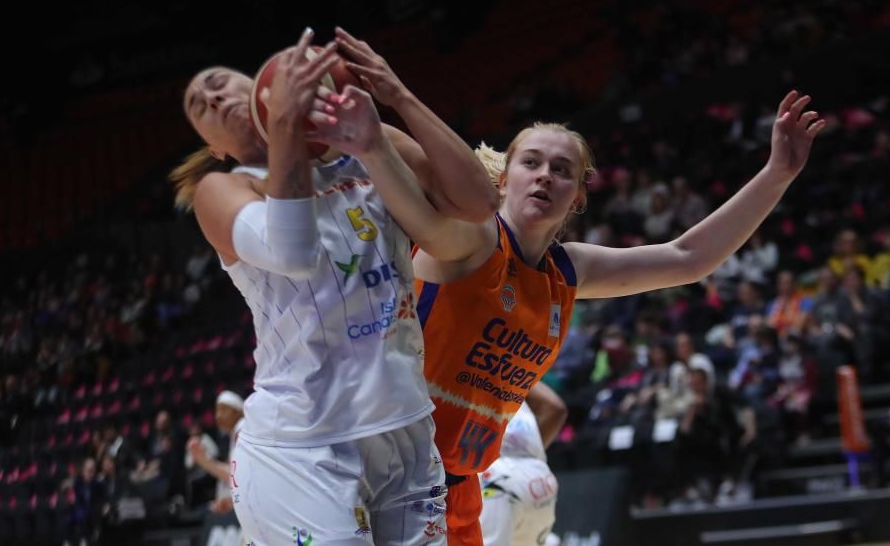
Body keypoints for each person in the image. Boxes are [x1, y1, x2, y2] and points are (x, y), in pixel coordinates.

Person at [330, 85, 823, 543]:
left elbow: (688, 258)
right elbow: (405, 157)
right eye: (532, 162)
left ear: (577, 198)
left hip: (456, 487)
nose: (546, 174)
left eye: (562, 169)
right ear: (503, 180)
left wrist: (778, 172)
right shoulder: (471, 240)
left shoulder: (569, 271)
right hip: (380, 468)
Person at [172, 28, 497, 545]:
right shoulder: (222, 190)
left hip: (405, 427)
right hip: (301, 448)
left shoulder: (370, 145)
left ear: (259, 81)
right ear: (214, 147)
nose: (212, 97)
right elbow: (292, 252)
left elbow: (481, 205)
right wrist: (284, 123)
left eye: (218, 84)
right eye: (200, 106)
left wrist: (398, 97)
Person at [478, 385, 566, 546]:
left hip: (495, 479)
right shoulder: (513, 368)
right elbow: (556, 409)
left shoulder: (436, 367)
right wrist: (529, 454)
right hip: (539, 474)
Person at [186, 390, 244, 514]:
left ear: (237, 412)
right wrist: (230, 501)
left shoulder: (242, 428)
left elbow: (238, 476)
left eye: (223, 410)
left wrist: (203, 460)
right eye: (217, 410)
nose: (218, 416)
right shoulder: (235, 434)